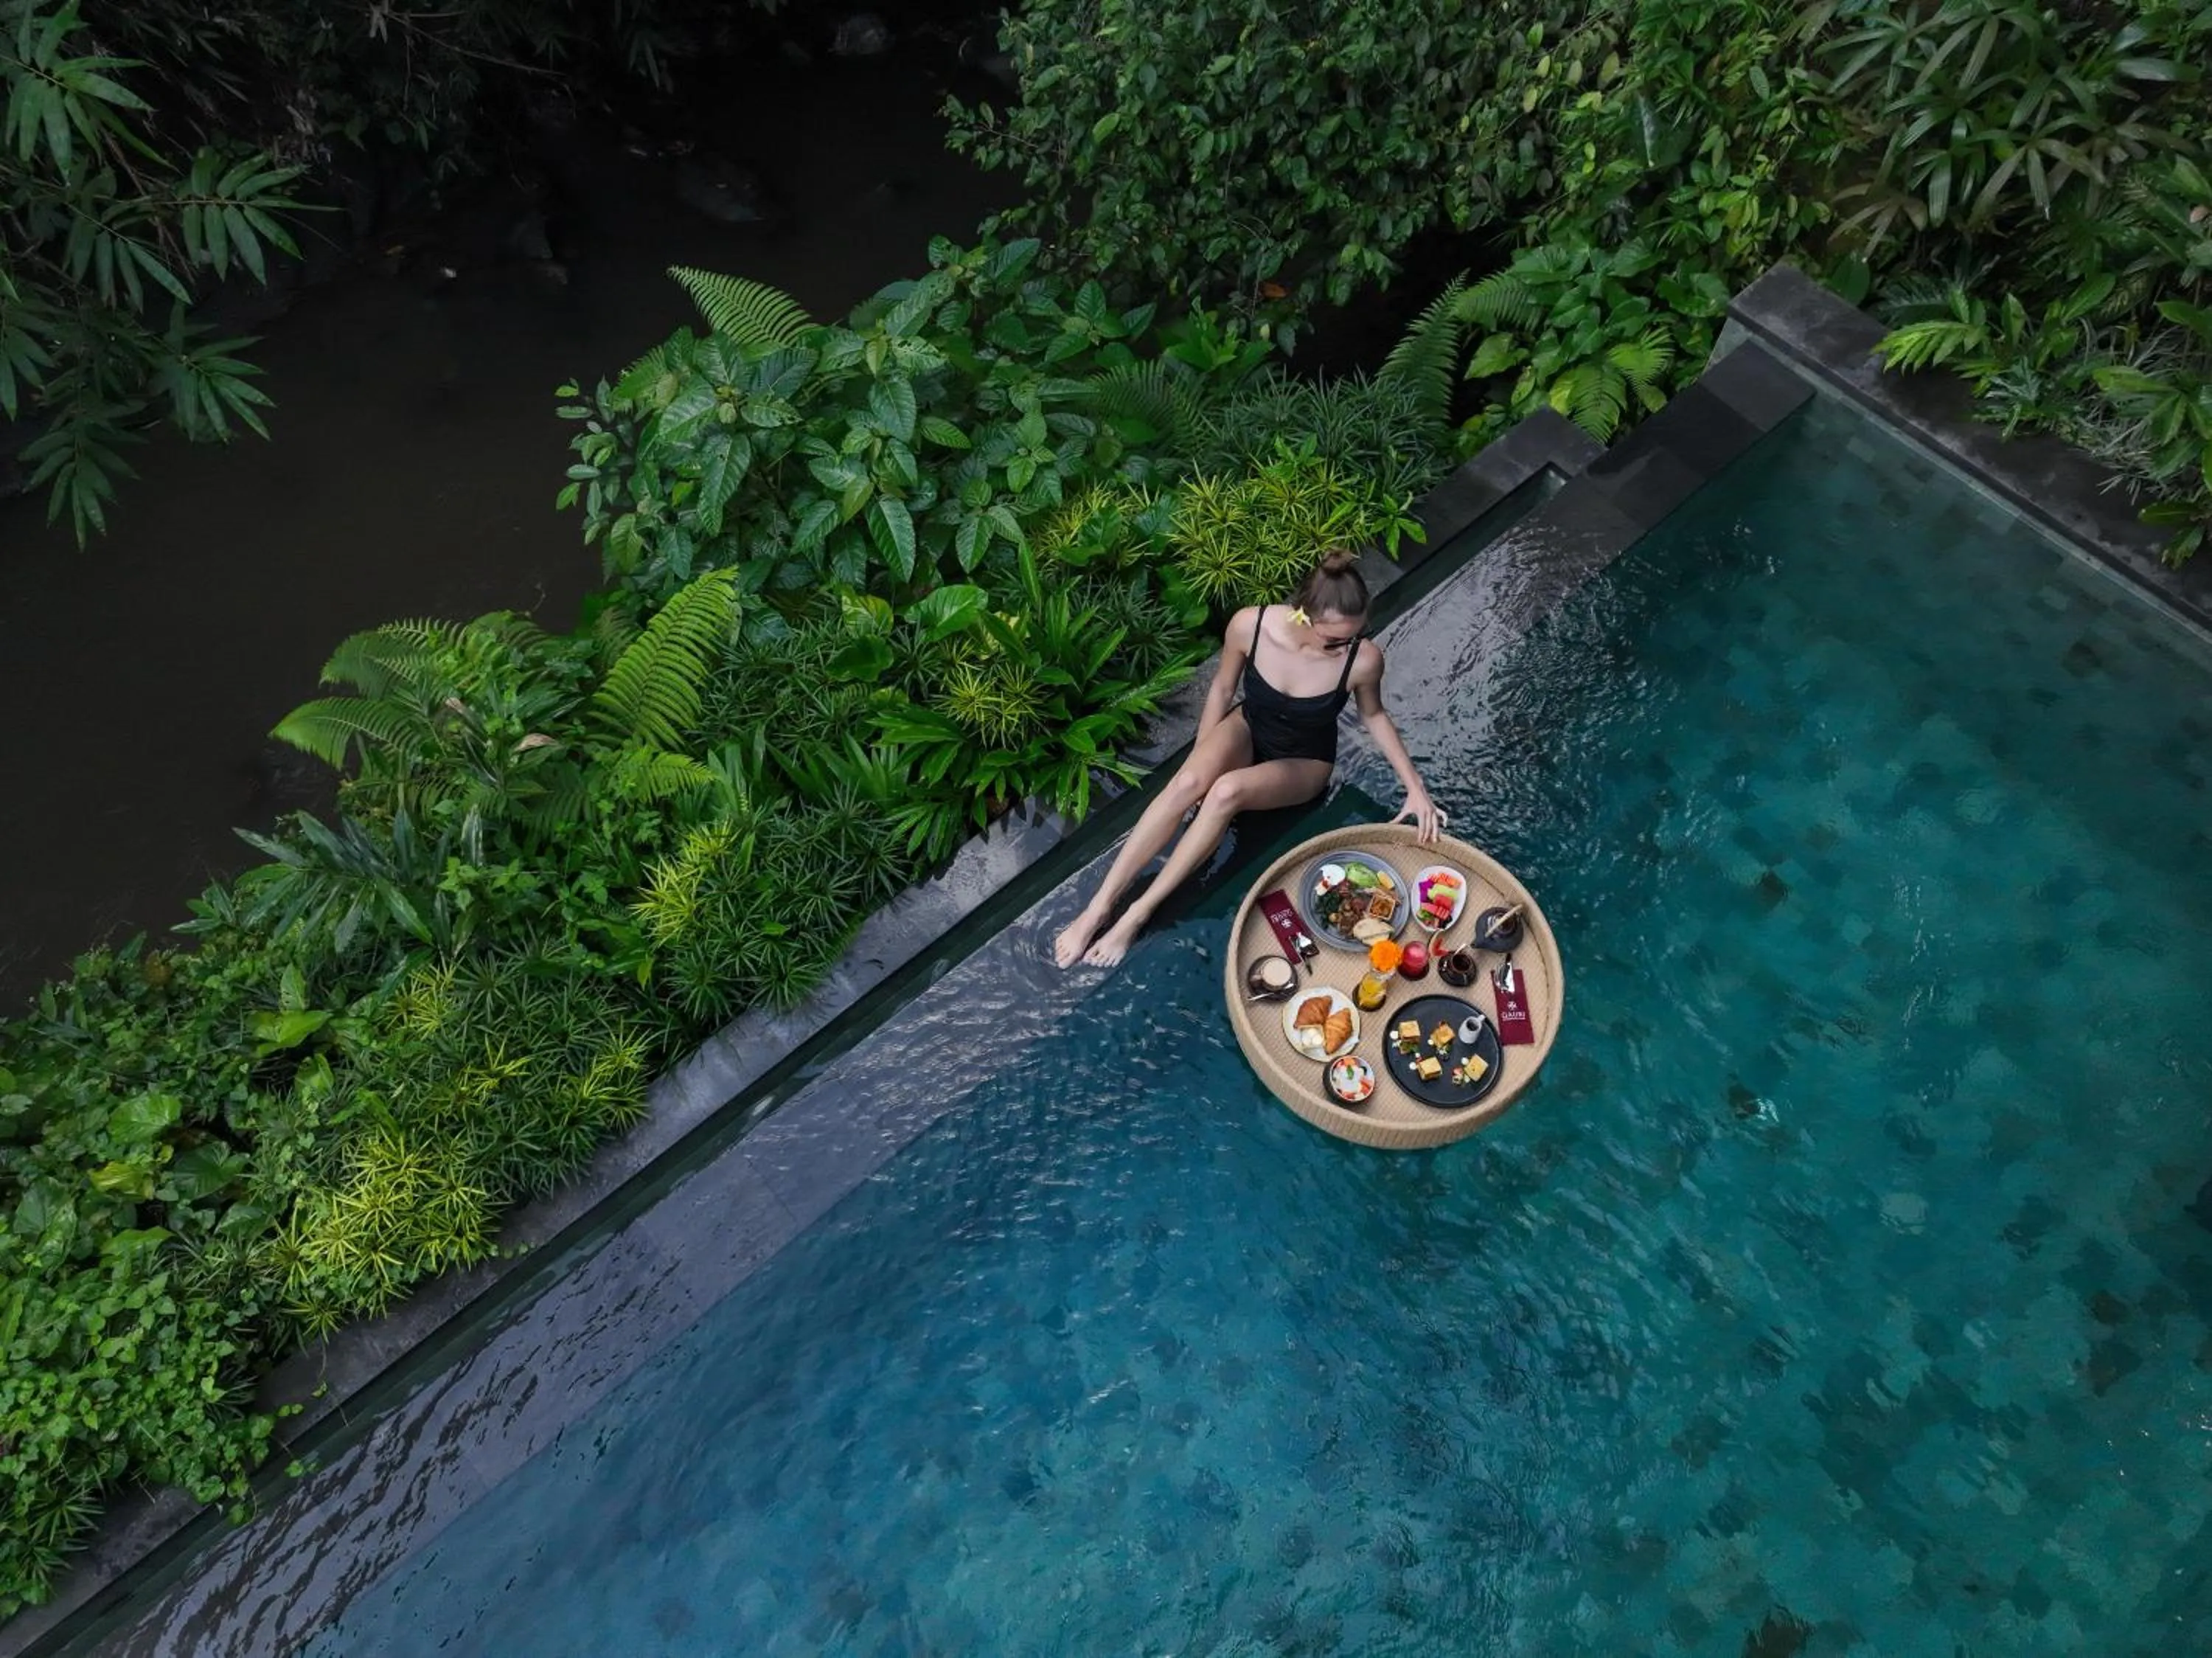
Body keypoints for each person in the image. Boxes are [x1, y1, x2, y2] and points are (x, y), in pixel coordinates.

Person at [1053, 549, 1445, 969]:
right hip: (1249, 726)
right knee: (1187, 784)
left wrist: (1415, 789)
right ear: (1302, 616)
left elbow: (1374, 715)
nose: (1346, 646)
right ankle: (1098, 907)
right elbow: (1222, 690)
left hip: (1304, 760)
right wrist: (1203, 758)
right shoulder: (1250, 625)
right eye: (1335, 639)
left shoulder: (1362, 659)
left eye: (1355, 634)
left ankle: (1137, 912)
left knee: (1226, 791)